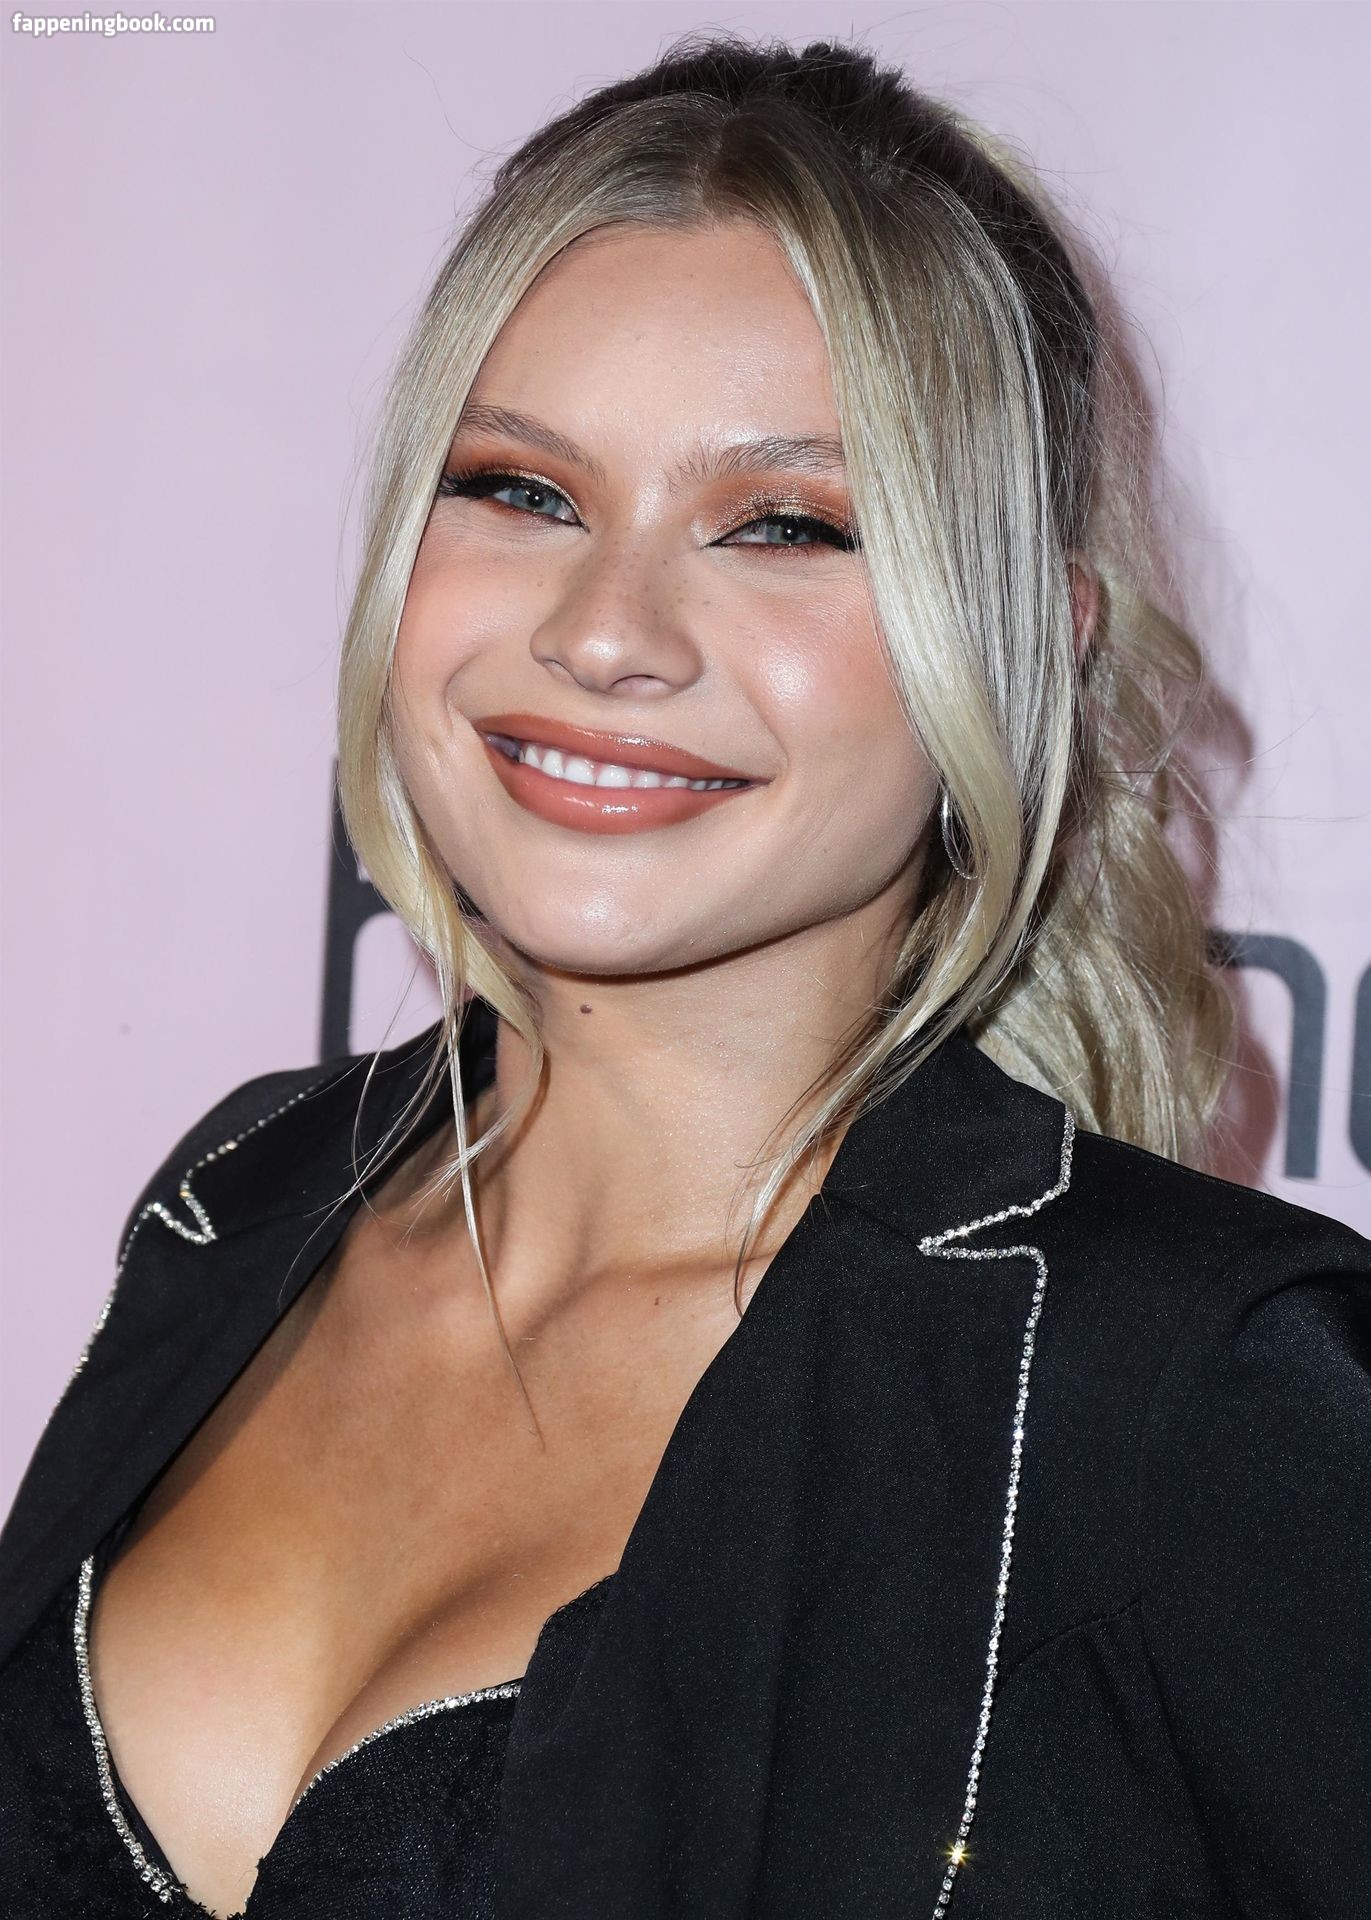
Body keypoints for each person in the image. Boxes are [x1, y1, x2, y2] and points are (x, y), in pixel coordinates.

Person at [1, 28, 1367, 1920]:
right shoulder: (247, 1196)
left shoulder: (1207, 1397)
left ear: (1024, 645)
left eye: (784, 524)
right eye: (522, 490)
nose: (605, 631)